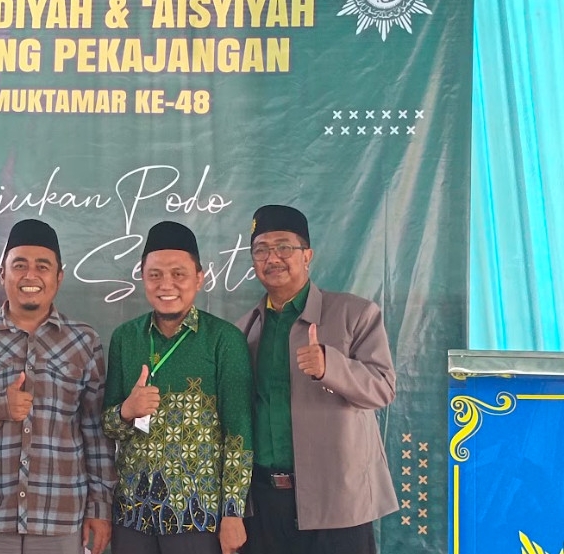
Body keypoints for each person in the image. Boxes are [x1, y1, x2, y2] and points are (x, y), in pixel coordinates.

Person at [0, 219, 116, 554]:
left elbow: (95, 433)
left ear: (59, 277)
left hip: (61, 517)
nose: (30, 275)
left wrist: (100, 507)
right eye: (19, 265)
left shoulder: (84, 341)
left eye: (42, 266)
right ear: (2, 274)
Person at [236, 205, 397, 554]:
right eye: (261, 250)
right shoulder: (245, 328)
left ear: (307, 255)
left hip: (338, 502)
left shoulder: (355, 314)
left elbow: (383, 388)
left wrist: (331, 367)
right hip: (264, 504)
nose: (272, 258)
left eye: (283, 247)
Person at [101, 221, 254, 554]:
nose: (166, 284)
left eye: (178, 274)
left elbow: (239, 433)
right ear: (143, 278)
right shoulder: (125, 338)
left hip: (198, 518)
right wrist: (127, 411)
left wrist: (233, 511)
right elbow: (108, 426)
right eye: (155, 275)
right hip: (132, 516)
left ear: (199, 278)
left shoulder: (224, 340)